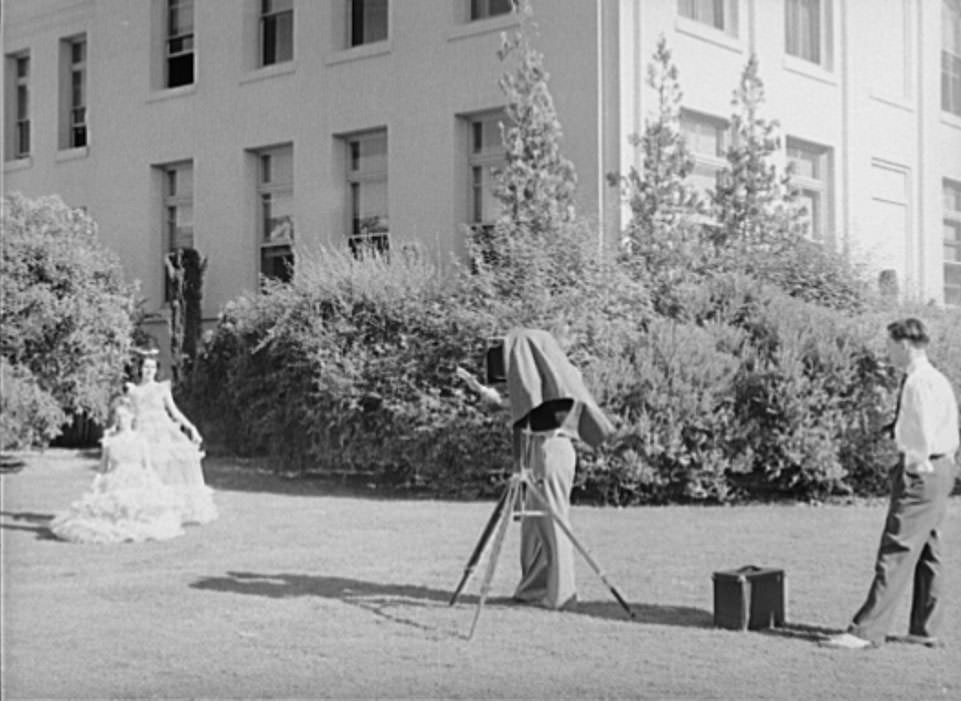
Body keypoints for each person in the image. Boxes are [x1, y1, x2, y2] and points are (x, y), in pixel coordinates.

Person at [821, 318, 959, 650]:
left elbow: (922, 432)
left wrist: (913, 466)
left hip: (922, 471)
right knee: (929, 549)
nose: (887, 352)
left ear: (904, 345)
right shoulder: (936, 379)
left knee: (897, 548)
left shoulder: (918, 383)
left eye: (889, 346)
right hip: (941, 469)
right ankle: (925, 629)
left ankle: (865, 631)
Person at [458, 328, 615, 610]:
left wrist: (502, 403)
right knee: (535, 526)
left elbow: (533, 410)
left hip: (549, 450)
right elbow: (526, 406)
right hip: (540, 450)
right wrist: (490, 396)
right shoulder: (550, 380)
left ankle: (561, 595)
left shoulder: (558, 383)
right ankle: (534, 589)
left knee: (553, 522)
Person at [50, 397, 185, 544]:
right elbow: (102, 467)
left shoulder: (140, 440)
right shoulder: (109, 441)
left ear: (132, 417)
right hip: (115, 479)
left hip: (136, 480)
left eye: (125, 416)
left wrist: (153, 484)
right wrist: (97, 483)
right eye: (118, 417)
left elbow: (147, 466)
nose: (122, 420)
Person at [126, 349, 218, 525]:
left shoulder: (162, 389)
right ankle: (146, 511)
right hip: (142, 432)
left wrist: (191, 428)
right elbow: (129, 414)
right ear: (140, 369)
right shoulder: (134, 391)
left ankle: (167, 510)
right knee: (144, 470)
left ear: (156, 370)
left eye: (152, 367)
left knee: (164, 469)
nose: (149, 370)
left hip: (162, 432)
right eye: (146, 366)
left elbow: (174, 412)